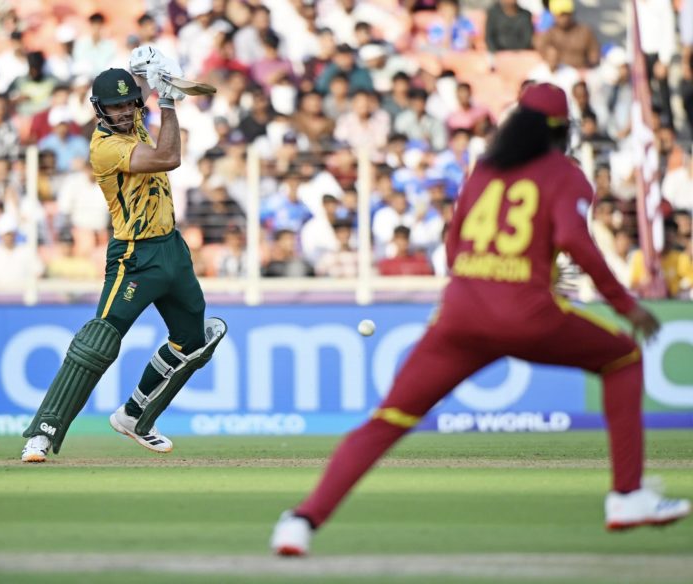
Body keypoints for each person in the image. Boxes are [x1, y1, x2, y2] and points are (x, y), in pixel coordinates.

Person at [270, 83, 690, 554]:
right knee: (623, 358)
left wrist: (472, 286)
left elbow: (453, 244)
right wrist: (624, 305)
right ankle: (626, 496)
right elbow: (575, 238)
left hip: (461, 316)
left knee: (387, 420)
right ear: (562, 131)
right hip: (529, 314)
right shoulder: (566, 174)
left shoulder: (485, 169)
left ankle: (300, 521)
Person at [19, 49, 227, 463]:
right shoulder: (105, 147)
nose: (122, 113)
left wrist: (152, 75)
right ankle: (42, 434)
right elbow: (169, 157)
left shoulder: (139, 124)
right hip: (134, 256)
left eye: (128, 103)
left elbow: (147, 99)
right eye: (113, 107)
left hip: (173, 249)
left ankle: (135, 415)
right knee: (98, 343)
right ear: (99, 111)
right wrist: (166, 99)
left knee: (195, 341)